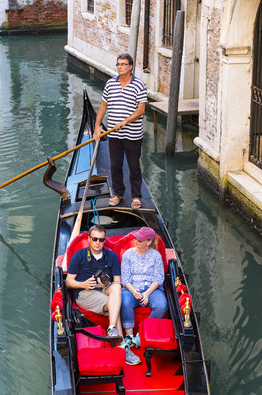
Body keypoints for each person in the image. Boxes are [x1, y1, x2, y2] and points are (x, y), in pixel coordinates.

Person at [66, 225, 141, 365]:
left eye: (101, 239)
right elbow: (69, 281)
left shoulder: (111, 256)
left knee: (116, 289)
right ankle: (122, 345)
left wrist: (105, 284)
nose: (98, 242)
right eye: (95, 239)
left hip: (104, 289)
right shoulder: (79, 256)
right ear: (89, 239)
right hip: (85, 292)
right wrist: (83, 284)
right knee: (115, 304)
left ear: (104, 240)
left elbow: (117, 282)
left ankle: (112, 329)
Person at [93, 53, 147, 210]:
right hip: (114, 134)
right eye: (118, 64)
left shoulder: (139, 85)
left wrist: (125, 121)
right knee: (115, 166)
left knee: (134, 166)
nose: (120, 67)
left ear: (130, 67)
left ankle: (136, 196)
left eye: (123, 64)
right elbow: (103, 106)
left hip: (133, 135)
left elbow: (141, 110)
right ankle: (118, 194)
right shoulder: (110, 84)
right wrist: (97, 126)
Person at [120, 227, 168, 347]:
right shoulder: (128, 255)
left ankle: (141, 335)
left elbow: (158, 278)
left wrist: (147, 293)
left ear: (149, 242)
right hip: (131, 288)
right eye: (136, 238)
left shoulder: (156, 256)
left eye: (140, 240)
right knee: (125, 302)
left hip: (152, 289)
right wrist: (133, 291)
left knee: (162, 305)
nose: (136, 241)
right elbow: (125, 278)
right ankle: (129, 336)